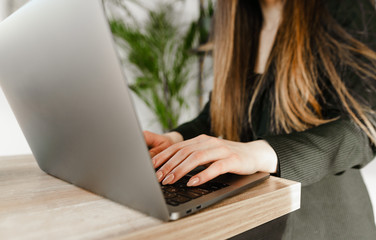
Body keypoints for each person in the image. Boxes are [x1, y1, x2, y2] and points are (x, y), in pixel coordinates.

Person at [144, 0, 376, 238]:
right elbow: (219, 112)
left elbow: (362, 129)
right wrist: (173, 140)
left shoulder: (347, 9)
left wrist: (258, 152)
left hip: (323, 225)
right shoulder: (237, 22)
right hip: (255, 219)